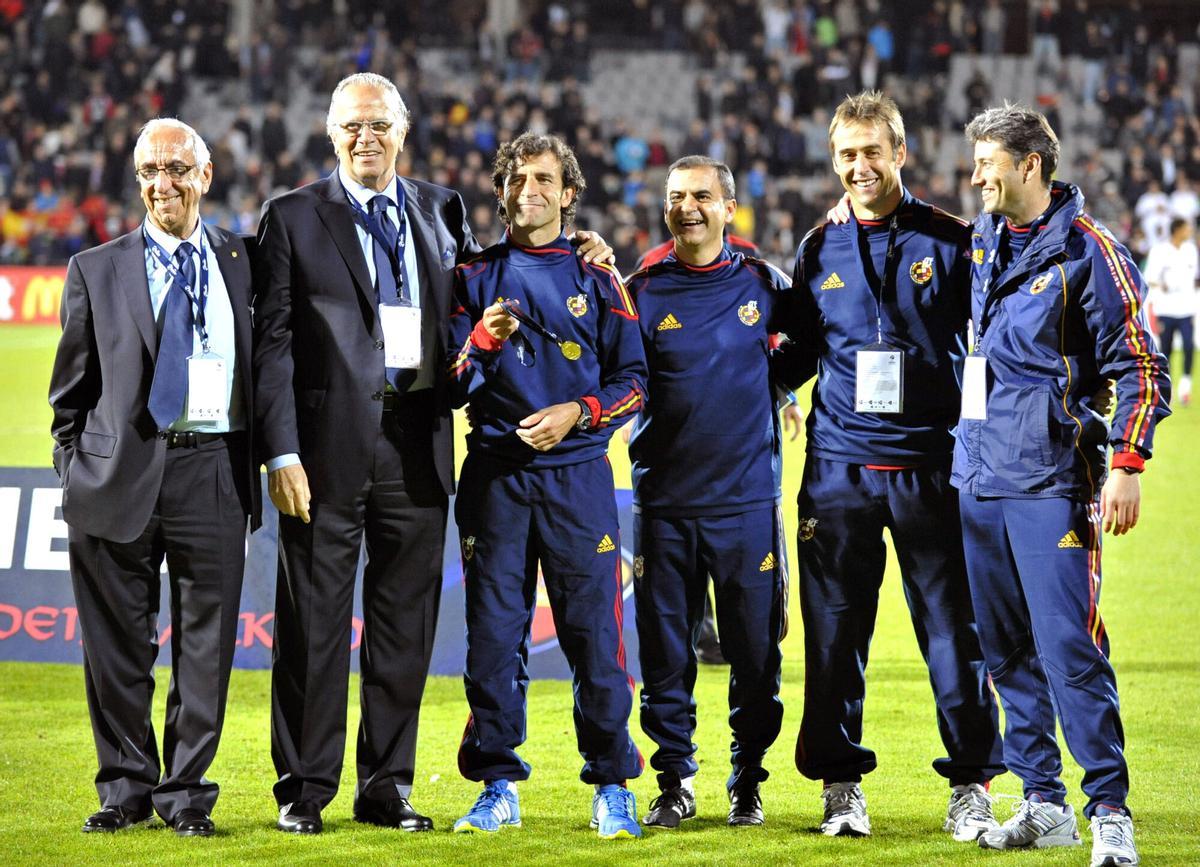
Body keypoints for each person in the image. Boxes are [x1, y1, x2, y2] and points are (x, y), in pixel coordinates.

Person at [254, 73, 611, 835]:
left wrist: (583, 244)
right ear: (331, 134)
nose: (366, 137)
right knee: (314, 622)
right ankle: (304, 788)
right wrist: (279, 449)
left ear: (403, 133)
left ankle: (386, 785)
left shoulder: (439, 208)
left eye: (380, 124)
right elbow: (273, 343)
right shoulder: (290, 216)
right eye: (352, 126)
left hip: (418, 444)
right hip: (322, 452)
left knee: (402, 627)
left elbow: (498, 271)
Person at [777, 91, 1005, 840]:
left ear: (900, 153)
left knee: (952, 631)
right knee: (835, 633)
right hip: (838, 471)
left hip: (931, 467)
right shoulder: (819, 247)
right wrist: (769, 387)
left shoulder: (950, 239)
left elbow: (998, 338)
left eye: (873, 151)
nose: (859, 166)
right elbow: (804, 348)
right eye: (846, 153)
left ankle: (970, 781)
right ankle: (841, 785)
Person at [957, 103, 1171, 867]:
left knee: (1069, 648)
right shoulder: (984, 238)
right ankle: (1042, 800)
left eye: (988, 162)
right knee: (1005, 652)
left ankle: (1109, 807)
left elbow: (1142, 367)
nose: (976, 174)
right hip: (979, 476)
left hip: (1052, 480)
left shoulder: (1090, 251)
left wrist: (1126, 464)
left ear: (1029, 165)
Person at [48, 118, 260, 837]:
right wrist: (77, 473)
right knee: (116, 647)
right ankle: (125, 788)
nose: (162, 183)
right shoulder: (94, 268)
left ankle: (187, 794)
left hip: (214, 470)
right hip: (115, 476)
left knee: (206, 647)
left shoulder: (245, 259)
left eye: (176, 168)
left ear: (205, 173)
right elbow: (67, 398)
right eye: (148, 171)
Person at [447, 132, 646, 840]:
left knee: (595, 636)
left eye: (543, 178)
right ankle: (497, 784)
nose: (527, 188)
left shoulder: (599, 277)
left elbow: (634, 382)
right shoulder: (469, 278)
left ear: (568, 193)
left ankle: (613, 784)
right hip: (495, 481)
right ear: (498, 191)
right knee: (493, 640)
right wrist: (483, 344)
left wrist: (579, 413)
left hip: (578, 480)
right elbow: (445, 386)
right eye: (514, 177)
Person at [625, 156, 791, 829]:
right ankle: (674, 779)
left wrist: (774, 387)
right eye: (675, 197)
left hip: (747, 501)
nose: (687, 207)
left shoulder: (762, 280)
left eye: (700, 196)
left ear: (727, 206)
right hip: (664, 502)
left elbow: (808, 341)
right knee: (666, 652)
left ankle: (747, 779)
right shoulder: (642, 287)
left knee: (755, 651)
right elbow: (616, 371)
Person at [1143, 216, 1197, 406]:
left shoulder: (1191, 250)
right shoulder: (1159, 251)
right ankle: (1168, 389)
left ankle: (1185, 388)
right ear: (1178, 230)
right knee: (1166, 351)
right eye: (1187, 228)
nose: (1190, 231)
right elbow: (1149, 277)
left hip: (1186, 309)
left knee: (1189, 348)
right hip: (1165, 308)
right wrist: (1164, 284)